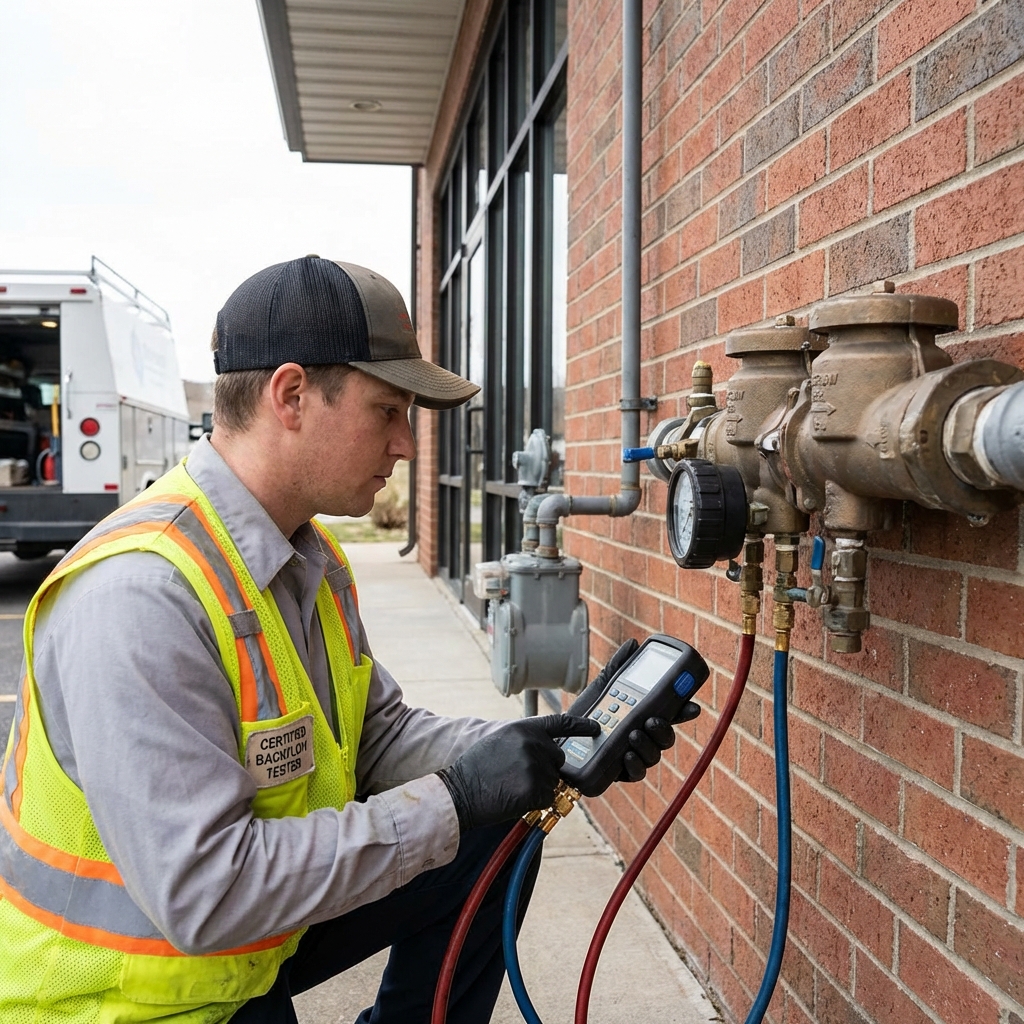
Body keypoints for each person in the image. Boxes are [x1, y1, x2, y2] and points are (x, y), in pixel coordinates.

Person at [0, 256, 697, 1024]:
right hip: (134, 998)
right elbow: (206, 895)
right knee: (461, 817)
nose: (405, 444)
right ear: (292, 395)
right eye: (387, 410)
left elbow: (374, 734)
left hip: (242, 951)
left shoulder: (307, 556)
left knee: (496, 831)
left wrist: (535, 750)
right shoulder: (142, 596)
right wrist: (456, 797)